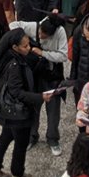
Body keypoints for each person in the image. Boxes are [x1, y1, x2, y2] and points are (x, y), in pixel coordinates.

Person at [0, 27, 54, 177]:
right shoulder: (15, 65)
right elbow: (17, 92)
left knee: (6, 135)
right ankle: (18, 176)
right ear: (14, 47)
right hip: (18, 112)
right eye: (25, 46)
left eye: (28, 44)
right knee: (21, 143)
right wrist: (40, 97)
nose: (28, 48)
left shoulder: (3, 58)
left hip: (6, 108)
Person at [13, 14, 68, 155]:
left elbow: (63, 56)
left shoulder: (60, 33)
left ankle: (53, 139)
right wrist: (22, 41)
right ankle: (31, 136)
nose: (39, 36)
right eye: (39, 33)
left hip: (52, 76)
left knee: (53, 110)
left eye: (43, 35)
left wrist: (43, 53)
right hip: (36, 76)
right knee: (33, 108)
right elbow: (14, 25)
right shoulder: (36, 26)